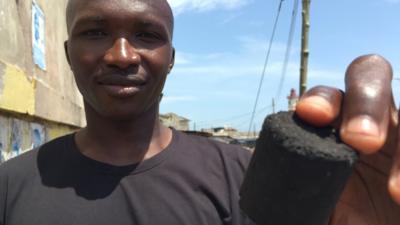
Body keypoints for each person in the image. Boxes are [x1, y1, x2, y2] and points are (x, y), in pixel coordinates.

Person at [0, 0, 399, 224]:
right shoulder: (10, 187)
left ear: (170, 58)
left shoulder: (243, 178)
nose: (121, 55)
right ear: (69, 53)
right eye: (95, 32)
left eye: (146, 34)